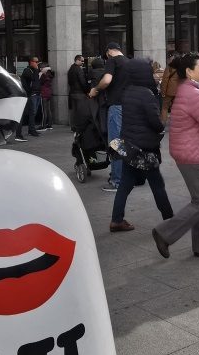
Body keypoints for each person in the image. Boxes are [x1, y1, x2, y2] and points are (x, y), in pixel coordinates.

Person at [150, 53, 199, 258]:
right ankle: (165, 233)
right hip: (193, 153)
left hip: (189, 150)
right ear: (189, 72)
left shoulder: (189, 90)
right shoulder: (194, 94)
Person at [108, 59, 173, 232]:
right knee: (157, 184)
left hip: (130, 146)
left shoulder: (128, 91)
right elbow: (156, 123)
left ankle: (116, 220)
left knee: (125, 184)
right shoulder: (146, 94)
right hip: (145, 149)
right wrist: (163, 116)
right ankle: (170, 220)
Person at [89, 42, 144, 192]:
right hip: (131, 107)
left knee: (116, 143)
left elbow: (106, 80)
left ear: (108, 52)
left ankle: (117, 181)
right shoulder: (130, 63)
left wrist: (95, 89)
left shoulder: (112, 61)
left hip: (117, 107)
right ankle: (131, 177)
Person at [158, 51, 183, 122]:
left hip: (169, 90)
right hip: (179, 90)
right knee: (176, 107)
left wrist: (163, 92)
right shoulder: (181, 67)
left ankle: (163, 123)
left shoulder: (169, 67)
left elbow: (165, 80)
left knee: (164, 107)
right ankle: (178, 122)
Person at [67, 54, 86, 119]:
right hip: (79, 93)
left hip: (72, 93)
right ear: (77, 60)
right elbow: (82, 82)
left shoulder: (71, 68)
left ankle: (74, 127)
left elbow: (69, 82)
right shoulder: (78, 69)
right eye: (82, 61)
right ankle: (79, 127)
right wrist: (86, 91)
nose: (83, 62)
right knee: (80, 111)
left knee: (73, 111)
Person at [39, 65, 54, 130]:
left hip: (44, 94)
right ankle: (50, 125)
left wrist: (40, 75)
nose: (40, 69)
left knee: (44, 110)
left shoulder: (43, 75)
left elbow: (39, 83)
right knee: (49, 110)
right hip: (49, 93)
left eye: (42, 68)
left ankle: (43, 126)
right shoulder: (50, 75)